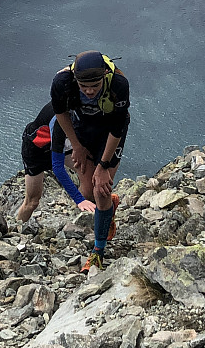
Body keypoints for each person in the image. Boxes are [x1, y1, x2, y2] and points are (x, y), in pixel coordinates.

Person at [18, 51, 129, 272]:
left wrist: (103, 166)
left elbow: (117, 127)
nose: (88, 91)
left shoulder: (118, 84)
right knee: (87, 193)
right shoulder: (62, 85)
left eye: (94, 86)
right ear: (74, 80)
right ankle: (15, 234)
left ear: (105, 76)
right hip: (79, 133)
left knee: (100, 189)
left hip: (108, 132)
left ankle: (98, 253)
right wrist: (77, 147)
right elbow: (60, 119)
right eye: (83, 85)